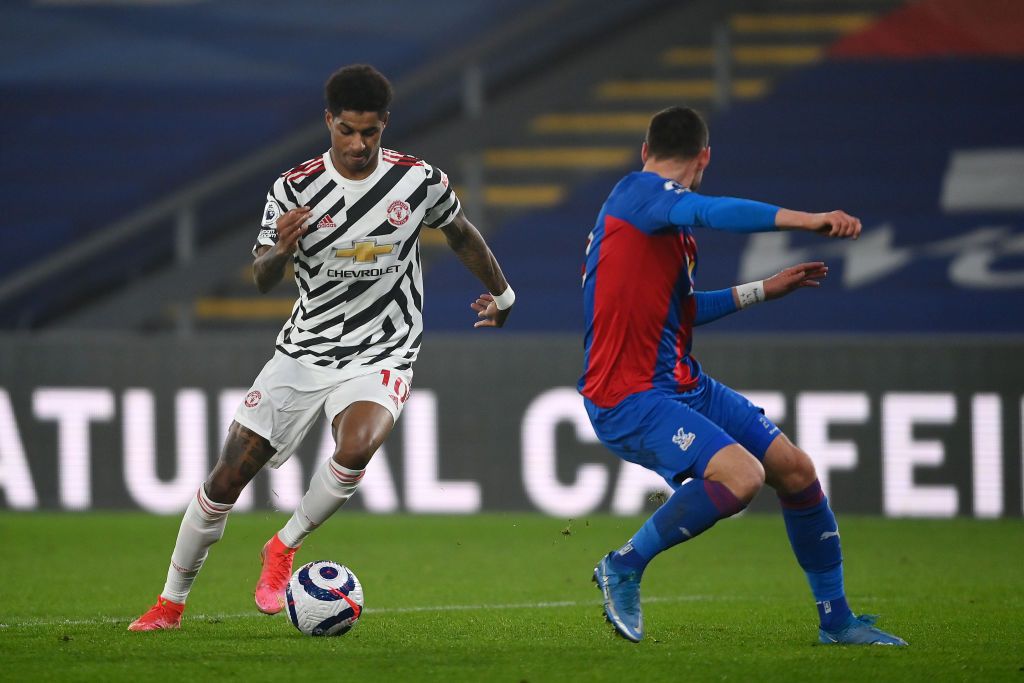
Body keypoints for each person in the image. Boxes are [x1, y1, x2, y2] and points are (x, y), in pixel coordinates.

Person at [129, 64, 514, 631]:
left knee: (356, 447)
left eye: (371, 133)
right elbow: (261, 277)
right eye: (347, 131)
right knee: (225, 480)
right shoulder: (292, 189)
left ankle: (283, 546)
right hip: (304, 350)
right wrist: (279, 251)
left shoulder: (418, 180)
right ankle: (170, 603)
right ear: (328, 121)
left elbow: (459, 231)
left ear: (384, 126)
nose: (359, 145)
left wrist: (501, 293)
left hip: (386, 347)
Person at [581, 106, 906, 646]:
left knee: (796, 472)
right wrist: (809, 220)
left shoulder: (663, 228)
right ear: (705, 157)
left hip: (683, 383)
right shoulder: (635, 195)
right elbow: (715, 211)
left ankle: (837, 622)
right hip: (626, 394)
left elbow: (682, 312)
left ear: (646, 148)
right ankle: (624, 565)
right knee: (743, 477)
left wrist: (762, 289)